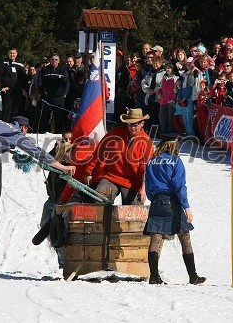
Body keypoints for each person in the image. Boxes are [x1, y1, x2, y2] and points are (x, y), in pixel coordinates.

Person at [143, 134, 205, 285]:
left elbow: (148, 185)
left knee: (155, 236)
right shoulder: (176, 161)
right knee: (185, 237)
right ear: (173, 145)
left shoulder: (151, 161)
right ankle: (193, 276)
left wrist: (155, 198)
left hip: (157, 200)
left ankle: (154, 276)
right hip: (173, 202)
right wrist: (186, 206)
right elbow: (179, 185)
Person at [84, 108, 154, 205]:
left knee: (133, 211)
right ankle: (105, 220)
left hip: (132, 182)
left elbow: (145, 168)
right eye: (130, 124)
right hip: (110, 176)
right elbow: (99, 152)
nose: (132, 128)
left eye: (135, 124)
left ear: (142, 123)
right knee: (100, 200)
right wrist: (88, 171)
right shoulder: (115, 133)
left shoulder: (146, 142)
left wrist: (143, 189)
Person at [0, 115, 75, 174]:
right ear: (23, 127)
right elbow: (38, 153)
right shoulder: (16, 133)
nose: (26, 133)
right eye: (27, 130)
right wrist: (62, 167)